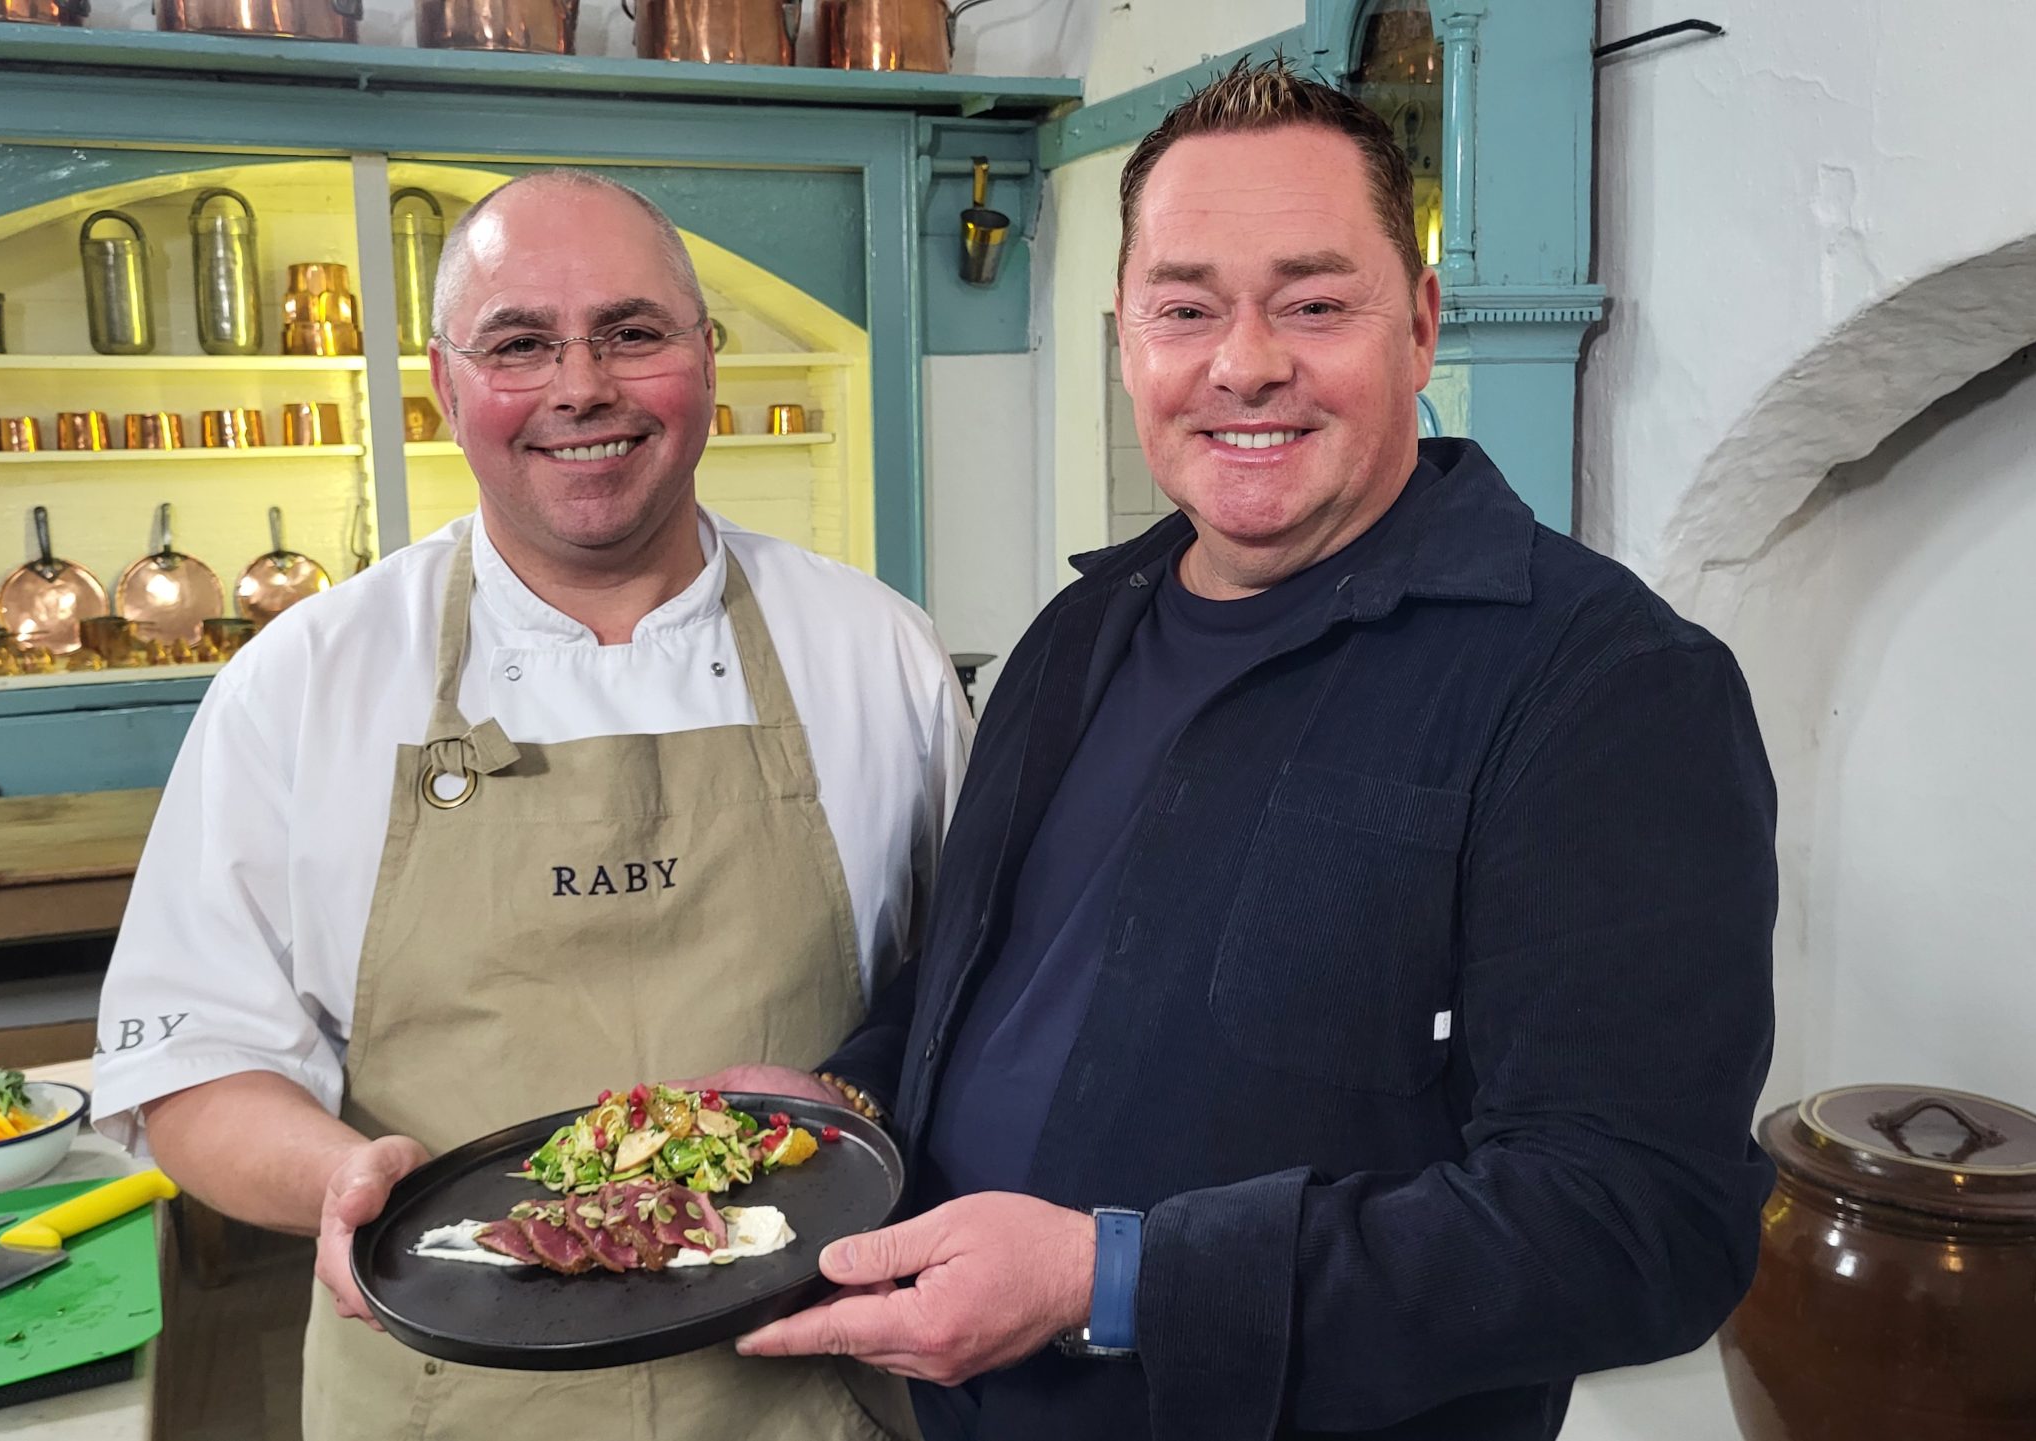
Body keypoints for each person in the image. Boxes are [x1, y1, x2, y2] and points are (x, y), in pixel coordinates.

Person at [736, 59, 1780, 1440]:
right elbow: (998, 972)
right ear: (1126, 341)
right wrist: (853, 1087)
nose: (1244, 362)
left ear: (1418, 322)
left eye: (1313, 303)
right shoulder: (1079, 628)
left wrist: (1109, 1279)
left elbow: (1640, 1225)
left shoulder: (1601, 685)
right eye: (1186, 309)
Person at [90, 169, 963, 1441]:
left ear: (707, 358)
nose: (579, 388)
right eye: (518, 344)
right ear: (446, 388)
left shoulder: (875, 653)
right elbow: (188, 1064)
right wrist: (341, 1175)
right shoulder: (305, 681)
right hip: (450, 1395)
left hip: (810, 1383)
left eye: (632, 331)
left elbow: (974, 1002)